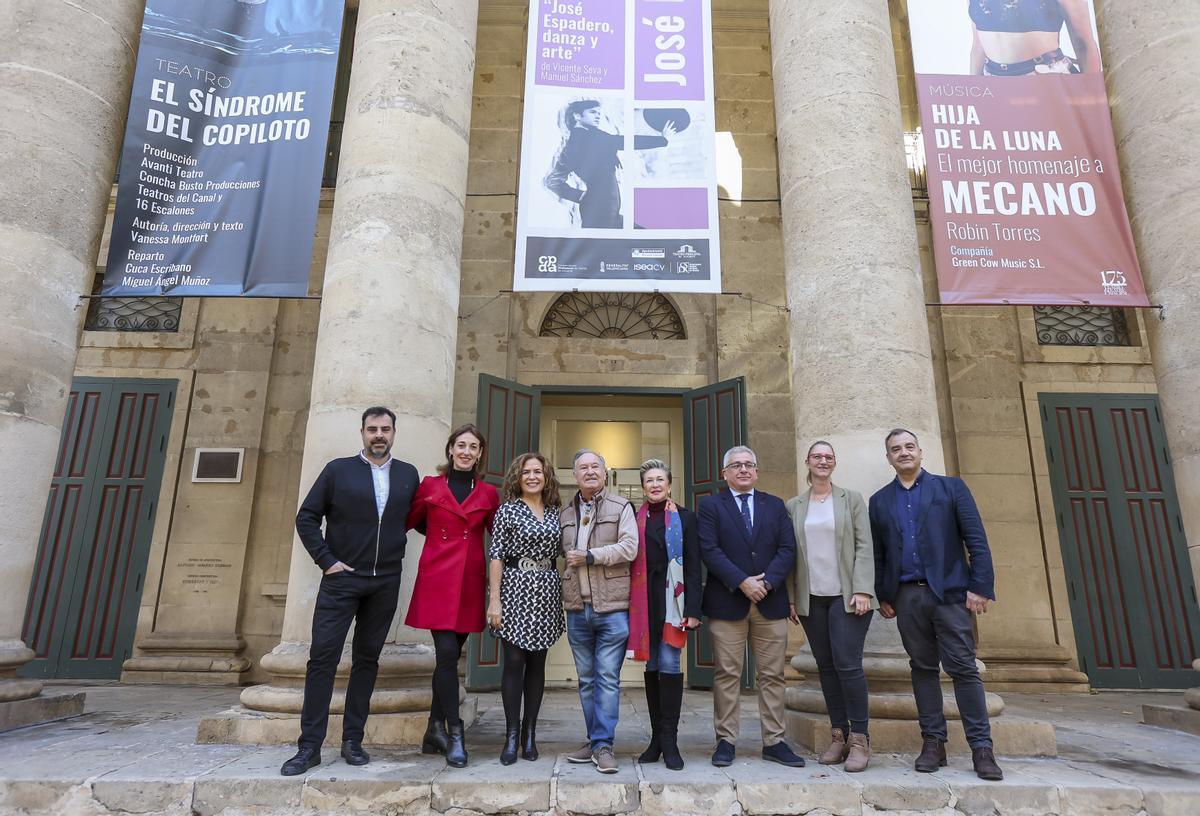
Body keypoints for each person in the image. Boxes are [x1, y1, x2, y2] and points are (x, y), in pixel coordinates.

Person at [281, 407, 419, 776]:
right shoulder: (337, 470)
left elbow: (420, 519)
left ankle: (352, 741)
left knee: (367, 661)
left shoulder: (408, 474)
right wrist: (326, 560)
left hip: (385, 581)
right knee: (322, 659)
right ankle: (308, 747)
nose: (379, 435)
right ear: (362, 432)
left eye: (385, 429)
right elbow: (306, 517)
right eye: (372, 429)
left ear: (394, 433)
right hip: (341, 580)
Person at [869, 429, 1003, 781]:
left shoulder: (951, 489)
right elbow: (879, 555)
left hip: (950, 594)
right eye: (896, 449)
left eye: (909, 447)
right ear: (889, 458)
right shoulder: (880, 500)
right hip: (907, 597)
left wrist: (980, 587)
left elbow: (977, 540)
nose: (903, 453)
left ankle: (982, 748)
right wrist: (884, 594)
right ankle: (933, 743)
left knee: (963, 668)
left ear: (920, 451)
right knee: (923, 669)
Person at [699, 445, 804, 768]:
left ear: (756, 471)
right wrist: (743, 581)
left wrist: (768, 582)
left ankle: (774, 741)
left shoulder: (774, 505)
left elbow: (788, 549)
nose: (743, 469)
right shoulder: (710, 506)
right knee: (727, 674)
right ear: (724, 473)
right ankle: (726, 740)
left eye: (749, 465)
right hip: (727, 602)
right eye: (736, 465)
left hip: (769, 603)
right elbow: (709, 549)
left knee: (772, 675)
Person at [405, 423, 500, 768]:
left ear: (479, 454)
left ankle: (433, 729)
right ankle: (456, 732)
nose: (466, 451)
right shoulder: (430, 485)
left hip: (470, 582)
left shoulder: (489, 493)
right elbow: (413, 520)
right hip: (437, 579)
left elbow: (498, 539)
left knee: (449, 657)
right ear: (450, 449)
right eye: (461, 445)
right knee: (446, 654)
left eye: (473, 447)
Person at [785, 441, 877, 773]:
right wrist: (792, 596)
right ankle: (838, 735)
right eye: (817, 456)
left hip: (848, 596)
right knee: (825, 666)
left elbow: (865, 544)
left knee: (847, 664)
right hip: (813, 599)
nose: (823, 461)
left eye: (828, 457)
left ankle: (860, 739)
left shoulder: (850, 499)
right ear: (807, 462)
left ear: (834, 463)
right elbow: (790, 554)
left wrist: (864, 588)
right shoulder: (794, 505)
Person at [560, 449, 638, 774]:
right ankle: (596, 741)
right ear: (575, 476)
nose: (590, 472)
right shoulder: (564, 513)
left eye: (595, 467)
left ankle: (603, 745)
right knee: (586, 680)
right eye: (583, 468)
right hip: (577, 608)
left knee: (606, 678)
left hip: (612, 607)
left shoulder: (621, 507)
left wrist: (591, 555)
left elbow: (629, 548)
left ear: (605, 473)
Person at [487, 452, 565, 765]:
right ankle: (510, 735)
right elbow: (495, 556)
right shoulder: (507, 510)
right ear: (517, 478)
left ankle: (529, 733)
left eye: (538, 471)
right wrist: (495, 600)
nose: (532, 477)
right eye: (526, 472)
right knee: (514, 661)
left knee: (537, 663)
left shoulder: (556, 512)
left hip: (546, 587)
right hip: (515, 587)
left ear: (546, 476)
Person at [630, 459, 702, 771]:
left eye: (660, 479)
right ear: (643, 487)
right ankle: (656, 738)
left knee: (670, 663)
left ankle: (670, 741)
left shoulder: (686, 518)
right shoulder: (634, 519)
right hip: (645, 601)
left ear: (669, 484)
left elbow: (695, 565)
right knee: (653, 664)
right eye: (649, 480)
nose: (655, 485)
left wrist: (694, 610)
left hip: (675, 599)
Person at [544, 99, 676, 229]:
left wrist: (581, 196)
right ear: (577, 116)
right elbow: (625, 141)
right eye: (592, 112)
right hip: (603, 214)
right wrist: (662, 140)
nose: (598, 116)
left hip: (601, 213)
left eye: (599, 113)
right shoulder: (594, 137)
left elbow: (552, 182)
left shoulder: (570, 147)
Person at [968, 0, 1100, 76]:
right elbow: (978, 46)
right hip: (993, 80)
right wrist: (973, 95)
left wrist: (1093, 103)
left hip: (1046, 77)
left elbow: (1083, 45)